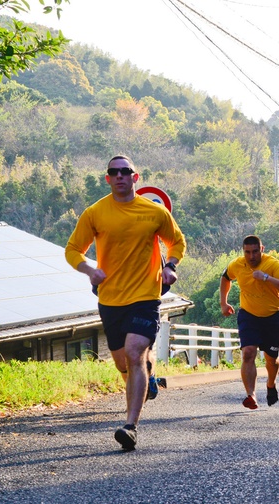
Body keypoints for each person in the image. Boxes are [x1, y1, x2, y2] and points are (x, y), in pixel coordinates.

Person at [65, 155, 185, 452]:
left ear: (136, 177)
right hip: (110, 298)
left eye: (125, 171)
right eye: (113, 172)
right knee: (124, 362)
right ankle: (148, 374)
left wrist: (169, 265)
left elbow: (177, 242)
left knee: (133, 352)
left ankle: (130, 426)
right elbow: (72, 250)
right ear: (107, 178)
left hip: (145, 296)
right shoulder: (95, 213)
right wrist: (90, 270)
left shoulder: (153, 212)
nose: (119, 176)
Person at [220, 235, 279, 409]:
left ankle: (270, 384)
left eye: (255, 251)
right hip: (248, 315)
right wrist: (223, 302)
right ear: (243, 251)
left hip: (271, 317)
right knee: (248, 352)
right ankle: (251, 395)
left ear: (262, 249)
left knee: (271, 360)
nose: (251, 256)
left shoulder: (273, 264)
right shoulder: (237, 264)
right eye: (247, 252)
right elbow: (225, 278)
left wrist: (266, 277)